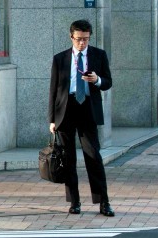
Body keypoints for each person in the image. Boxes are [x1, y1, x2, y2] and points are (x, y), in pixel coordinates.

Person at [48, 19, 114, 217]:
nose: (82, 43)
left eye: (85, 39)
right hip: (66, 111)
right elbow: (53, 90)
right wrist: (51, 119)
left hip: (88, 109)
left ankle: (104, 202)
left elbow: (108, 82)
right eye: (78, 39)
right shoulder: (60, 58)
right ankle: (75, 202)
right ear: (71, 37)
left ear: (89, 37)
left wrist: (97, 80)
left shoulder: (98, 55)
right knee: (68, 159)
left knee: (93, 156)